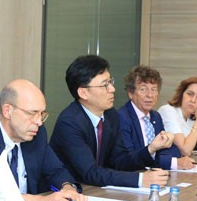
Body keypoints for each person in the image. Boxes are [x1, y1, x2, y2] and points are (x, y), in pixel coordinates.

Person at [0, 79, 87, 201]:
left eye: (41, 114)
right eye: (32, 113)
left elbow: (56, 171)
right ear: (8, 111)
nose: (39, 122)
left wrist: (68, 188)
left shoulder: (36, 134)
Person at [50, 55, 171, 188]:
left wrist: (150, 149)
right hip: (69, 191)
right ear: (83, 93)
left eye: (110, 82)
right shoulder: (69, 123)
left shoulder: (110, 115)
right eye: (105, 85)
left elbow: (119, 161)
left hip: (96, 189)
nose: (112, 89)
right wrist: (140, 179)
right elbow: (90, 173)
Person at [118, 65, 194, 170]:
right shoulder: (122, 117)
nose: (150, 95)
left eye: (154, 89)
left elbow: (172, 150)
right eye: (143, 89)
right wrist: (172, 163)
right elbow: (128, 159)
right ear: (130, 93)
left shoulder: (155, 116)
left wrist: (165, 158)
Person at [158, 76, 197, 157]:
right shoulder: (168, 111)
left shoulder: (192, 118)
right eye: (190, 94)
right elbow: (185, 151)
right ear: (181, 94)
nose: (193, 100)